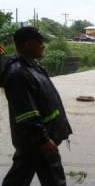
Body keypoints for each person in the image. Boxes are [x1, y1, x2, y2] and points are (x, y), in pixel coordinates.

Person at [0, 26, 72, 186]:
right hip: (38, 142)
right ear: (28, 45)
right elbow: (26, 113)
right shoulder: (18, 74)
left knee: (19, 177)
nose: (43, 45)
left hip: (40, 140)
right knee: (54, 179)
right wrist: (44, 140)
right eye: (40, 42)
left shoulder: (33, 67)